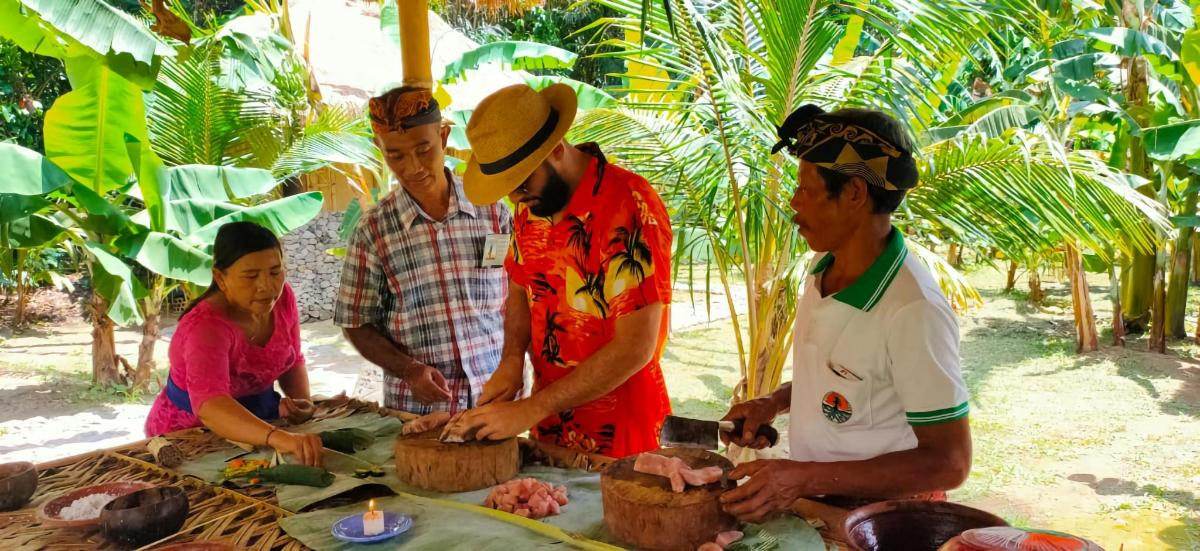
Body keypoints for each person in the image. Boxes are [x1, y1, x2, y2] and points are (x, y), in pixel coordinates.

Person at [719, 105, 972, 522]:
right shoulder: (824, 271)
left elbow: (950, 462)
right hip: (819, 508)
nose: (793, 201)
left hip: (883, 523)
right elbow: (844, 376)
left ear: (854, 194)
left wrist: (802, 479)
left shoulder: (913, 309)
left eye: (805, 187)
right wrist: (773, 402)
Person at [447, 83, 673, 458]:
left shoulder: (628, 206)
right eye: (508, 190)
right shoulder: (531, 203)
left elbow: (636, 346)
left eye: (520, 183)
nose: (516, 198)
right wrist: (511, 360)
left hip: (620, 431)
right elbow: (520, 286)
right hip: (548, 422)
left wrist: (530, 408)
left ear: (554, 150)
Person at [334, 86, 511, 415]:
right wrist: (408, 369)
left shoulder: (492, 210)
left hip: (496, 401)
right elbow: (355, 322)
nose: (413, 166)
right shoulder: (372, 232)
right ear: (380, 149)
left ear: (443, 138)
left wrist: (513, 367)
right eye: (395, 155)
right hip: (419, 411)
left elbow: (516, 297)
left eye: (423, 149)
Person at [145, 221, 324, 466]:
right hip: (193, 438)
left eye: (275, 272)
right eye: (251, 276)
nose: (267, 286)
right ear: (220, 277)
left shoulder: (282, 299)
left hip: (263, 423)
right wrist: (278, 437)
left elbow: (291, 360)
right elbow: (211, 406)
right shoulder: (205, 327)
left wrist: (303, 405)